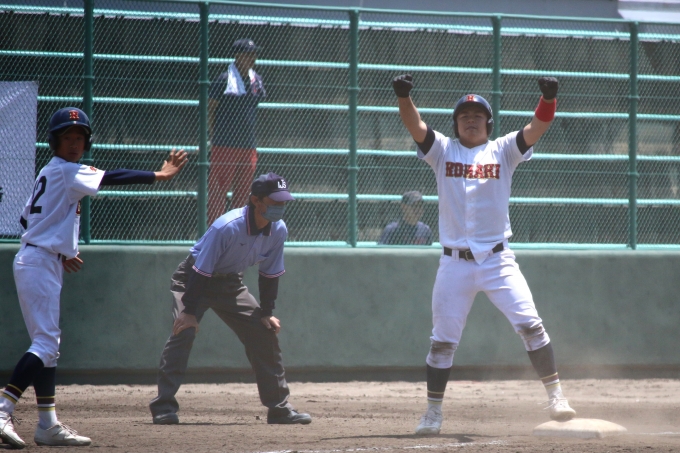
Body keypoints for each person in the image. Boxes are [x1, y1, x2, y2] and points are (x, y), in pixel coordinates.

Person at [391, 74, 576, 436]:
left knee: (531, 325)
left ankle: (556, 397)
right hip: (453, 263)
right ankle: (432, 413)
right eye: (464, 116)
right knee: (442, 342)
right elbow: (415, 125)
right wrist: (403, 97)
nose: (471, 120)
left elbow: (537, 128)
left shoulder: (503, 149)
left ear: (489, 123)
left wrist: (548, 99)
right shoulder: (442, 150)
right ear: (456, 124)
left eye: (477, 115)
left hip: (497, 260)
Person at [0, 107, 187, 448]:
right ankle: (3, 409)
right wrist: (159, 175)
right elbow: (112, 176)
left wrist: (59, 248)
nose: (74, 143)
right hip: (38, 262)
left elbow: (27, 220)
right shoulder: (66, 170)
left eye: (79, 137)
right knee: (45, 344)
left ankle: (47, 425)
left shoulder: (49, 171)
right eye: (67, 137)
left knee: (50, 347)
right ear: (55, 142)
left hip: (41, 259)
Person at [149, 172, 311, 427]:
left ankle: (279, 409)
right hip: (192, 279)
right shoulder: (227, 226)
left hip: (230, 283)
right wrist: (188, 311)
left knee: (264, 331)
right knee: (184, 332)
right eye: (274, 201)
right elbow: (201, 271)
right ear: (255, 200)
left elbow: (269, 274)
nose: (280, 207)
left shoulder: (278, 229)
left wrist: (266, 312)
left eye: (283, 202)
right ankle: (163, 408)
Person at [207, 38, 266, 224]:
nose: (253, 58)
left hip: (248, 145)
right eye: (249, 54)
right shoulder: (224, 79)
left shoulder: (256, 81)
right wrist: (214, 133)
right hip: (225, 144)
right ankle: (216, 231)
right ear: (238, 56)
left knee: (244, 192)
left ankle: (238, 230)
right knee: (218, 191)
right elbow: (210, 107)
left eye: (254, 54)